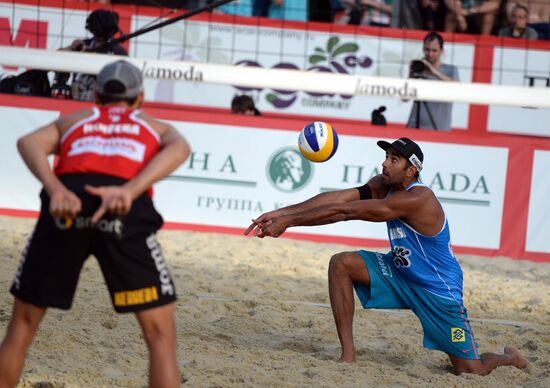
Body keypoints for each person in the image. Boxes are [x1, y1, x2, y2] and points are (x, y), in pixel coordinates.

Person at [245, 137, 528, 375]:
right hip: (400, 273)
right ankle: (348, 355)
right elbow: (337, 200)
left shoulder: (419, 199)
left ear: (411, 170)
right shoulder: (385, 185)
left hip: (437, 290)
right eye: (386, 156)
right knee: (341, 263)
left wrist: (291, 223)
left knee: (470, 370)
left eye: (394, 159)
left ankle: (509, 358)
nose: (384, 163)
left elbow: (344, 213)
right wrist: (282, 213)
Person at [0, 60, 191, 388]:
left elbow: (27, 143)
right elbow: (181, 148)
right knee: (160, 336)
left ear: (97, 95)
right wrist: (129, 191)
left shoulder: (76, 119)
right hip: (120, 205)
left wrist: (56, 189)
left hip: (69, 200)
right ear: (139, 97)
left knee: (23, 326)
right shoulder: (149, 123)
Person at [52, 9, 128, 101]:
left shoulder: (118, 52)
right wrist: (71, 49)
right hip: (76, 101)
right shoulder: (82, 45)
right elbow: (54, 58)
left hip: (103, 102)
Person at [406, 31, 459, 131]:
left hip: (439, 128)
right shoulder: (419, 69)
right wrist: (411, 74)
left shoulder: (451, 70)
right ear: (423, 49)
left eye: (434, 51)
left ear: (441, 51)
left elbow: (458, 88)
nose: (430, 54)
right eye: (427, 50)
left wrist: (433, 72)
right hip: (415, 126)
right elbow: (405, 98)